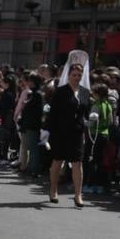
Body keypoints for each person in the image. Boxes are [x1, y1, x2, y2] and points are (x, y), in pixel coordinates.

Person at [45, 50, 91, 206]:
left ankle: (78, 195)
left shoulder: (85, 93)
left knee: (78, 163)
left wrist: (89, 120)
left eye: (79, 75)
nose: (77, 77)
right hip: (60, 131)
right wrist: (47, 131)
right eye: (74, 75)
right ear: (69, 75)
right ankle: (53, 189)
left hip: (77, 132)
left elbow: (86, 111)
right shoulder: (61, 92)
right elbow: (53, 113)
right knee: (58, 161)